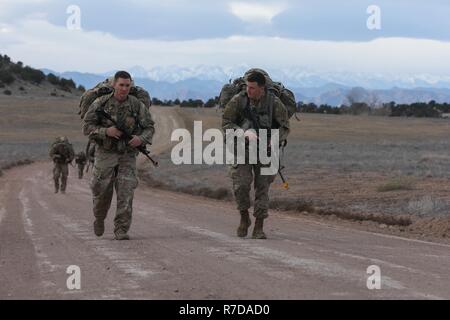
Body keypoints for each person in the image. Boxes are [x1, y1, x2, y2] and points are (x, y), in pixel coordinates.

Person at [82, 71, 155, 240]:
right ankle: (99, 218)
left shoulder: (136, 105)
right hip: (105, 154)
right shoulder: (101, 103)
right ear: (114, 85)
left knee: (126, 192)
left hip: (127, 155)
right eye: (121, 85)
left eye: (127, 85)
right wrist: (106, 131)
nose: (124, 89)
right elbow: (87, 127)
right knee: (101, 193)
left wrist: (140, 139)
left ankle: (121, 229)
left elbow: (149, 127)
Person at [222, 70, 290, 239]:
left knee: (262, 188)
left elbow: (285, 126)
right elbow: (226, 123)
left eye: (252, 88)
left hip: (266, 150)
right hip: (242, 148)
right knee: (241, 185)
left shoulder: (274, 103)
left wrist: (273, 140)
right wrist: (242, 132)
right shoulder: (238, 100)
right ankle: (244, 217)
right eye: (247, 87)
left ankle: (259, 226)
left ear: (262, 88)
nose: (248, 91)